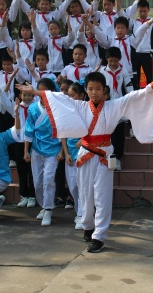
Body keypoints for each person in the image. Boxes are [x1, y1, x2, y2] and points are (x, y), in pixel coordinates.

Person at [16, 72, 153, 253]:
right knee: (85, 193)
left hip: (104, 155)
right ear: (86, 91)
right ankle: (88, 226)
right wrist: (36, 92)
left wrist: (150, 88)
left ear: (104, 90)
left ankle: (99, 236)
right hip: (85, 153)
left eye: (98, 89)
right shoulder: (79, 105)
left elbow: (132, 97)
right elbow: (60, 98)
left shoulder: (113, 106)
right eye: (90, 89)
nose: (94, 92)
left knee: (102, 196)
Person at [24, 78, 63, 227]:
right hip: (36, 149)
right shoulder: (33, 109)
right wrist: (26, 150)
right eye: (39, 92)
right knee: (38, 182)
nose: (42, 95)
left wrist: (62, 150)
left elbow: (63, 130)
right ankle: (43, 205)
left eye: (45, 92)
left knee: (48, 179)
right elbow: (29, 130)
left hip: (53, 149)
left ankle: (48, 209)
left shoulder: (57, 107)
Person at [99, 46, 134, 171]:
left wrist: (131, 98)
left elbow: (129, 87)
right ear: (106, 59)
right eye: (110, 61)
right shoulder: (102, 71)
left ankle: (118, 158)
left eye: (115, 61)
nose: (113, 64)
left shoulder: (123, 71)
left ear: (119, 59)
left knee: (119, 135)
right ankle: (107, 157)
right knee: (108, 134)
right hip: (106, 106)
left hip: (119, 105)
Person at [60, 81, 87, 230]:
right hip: (70, 154)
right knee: (73, 186)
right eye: (68, 96)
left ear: (81, 96)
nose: (70, 98)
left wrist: (84, 140)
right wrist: (65, 153)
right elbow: (62, 134)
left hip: (84, 153)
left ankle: (82, 215)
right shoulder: (65, 113)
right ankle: (79, 212)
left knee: (82, 185)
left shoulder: (87, 111)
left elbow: (93, 129)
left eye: (73, 95)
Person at [14, 87, 36, 208]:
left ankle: (33, 195)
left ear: (33, 96)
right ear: (20, 96)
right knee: (21, 170)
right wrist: (16, 111)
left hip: (33, 141)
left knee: (32, 169)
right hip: (20, 141)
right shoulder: (17, 107)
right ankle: (24, 195)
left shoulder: (35, 107)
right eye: (24, 95)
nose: (27, 97)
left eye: (29, 95)